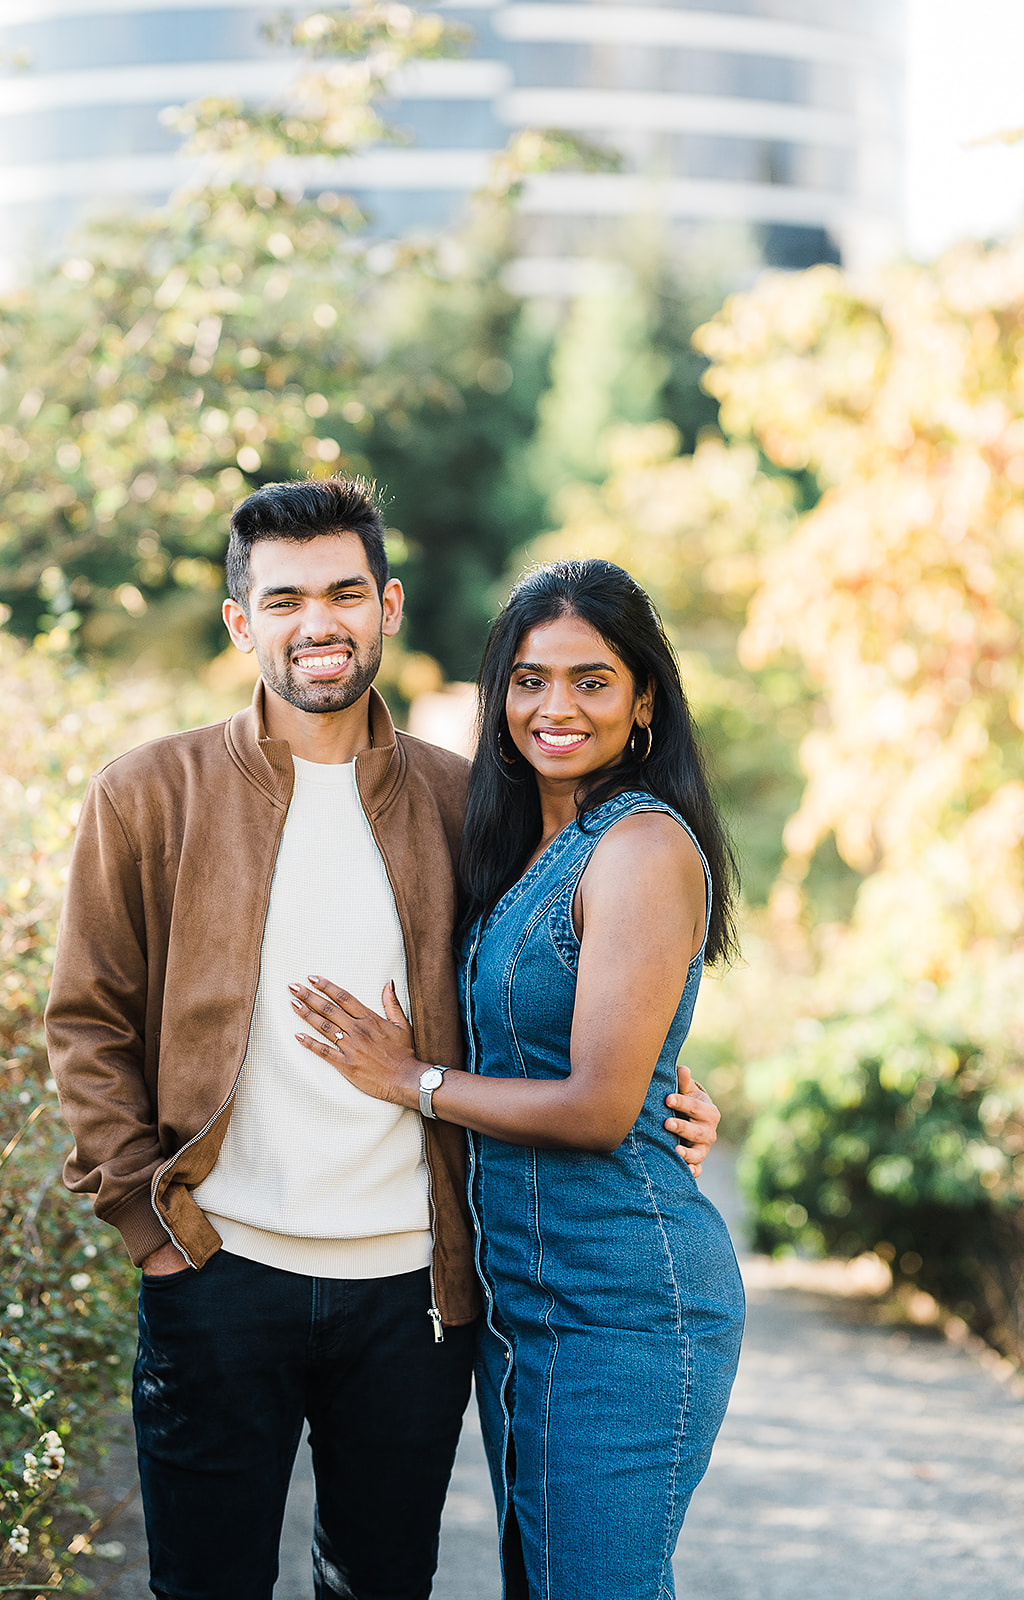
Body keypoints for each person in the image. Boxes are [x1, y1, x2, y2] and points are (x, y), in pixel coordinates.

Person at [45, 480, 722, 1600]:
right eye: (286, 598)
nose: (319, 621)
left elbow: (569, 984)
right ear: (239, 621)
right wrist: (147, 1230)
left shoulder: (467, 805)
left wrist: (668, 1091)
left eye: (344, 592)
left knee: (380, 1585)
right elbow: (87, 1020)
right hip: (218, 1273)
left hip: (414, 1295)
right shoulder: (147, 795)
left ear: (388, 605)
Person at [290, 557, 746, 1600]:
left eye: (591, 681)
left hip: (624, 1303)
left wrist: (413, 1078)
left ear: (642, 706)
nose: (555, 707)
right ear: (498, 698)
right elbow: (575, 1035)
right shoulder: (521, 846)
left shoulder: (636, 845)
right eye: (530, 679)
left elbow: (593, 1107)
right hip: (522, 1301)